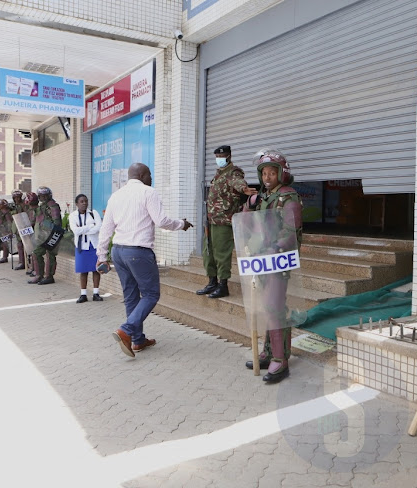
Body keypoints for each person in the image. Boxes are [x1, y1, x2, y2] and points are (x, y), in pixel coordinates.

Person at [96, 162, 193, 358]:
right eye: (149, 174)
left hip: (119, 252)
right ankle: (126, 330)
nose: (152, 178)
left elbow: (106, 227)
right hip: (138, 252)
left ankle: (137, 340)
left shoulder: (116, 195)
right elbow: (161, 221)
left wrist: (101, 256)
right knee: (150, 294)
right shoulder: (149, 192)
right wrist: (182, 224)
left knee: (131, 296)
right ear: (141, 175)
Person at [243, 149, 303, 383]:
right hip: (260, 260)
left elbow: (292, 231)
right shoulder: (263, 197)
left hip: (278, 260)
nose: (267, 177)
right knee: (266, 306)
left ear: (282, 173)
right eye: (264, 173)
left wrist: (275, 249)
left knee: (274, 307)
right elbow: (245, 223)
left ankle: (281, 358)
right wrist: (249, 204)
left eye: (271, 173)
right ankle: (269, 352)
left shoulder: (289, 197)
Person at [197, 145, 257, 299]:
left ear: (229, 156)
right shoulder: (218, 175)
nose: (219, 159)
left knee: (221, 253)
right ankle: (212, 282)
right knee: (208, 252)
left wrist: (244, 189)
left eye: (221, 156)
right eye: (217, 157)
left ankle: (223, 285)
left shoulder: (233, 173)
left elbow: (237, 183)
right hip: (211, 220)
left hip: (224, 221)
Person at [69, 194, 103, 303]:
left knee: (96, 270)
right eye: (82, 201)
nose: (84, 203)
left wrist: (83, 229)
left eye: (86, 201)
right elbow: (75, 231)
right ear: (77, 204)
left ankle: (96, 293)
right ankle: (83, 294)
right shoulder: (73, 216)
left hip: (94, 245)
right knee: (83, 271)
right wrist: (89, 227)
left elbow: (98, 227)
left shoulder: (94, 213)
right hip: (81, 247)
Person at [29, 186, 62, 285]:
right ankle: (39, 275)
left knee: (50, 255)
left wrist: (51, 233)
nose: (43, 197)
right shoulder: (41, 206)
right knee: (36, 253)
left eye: (45, 195)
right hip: (42, 236)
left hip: (50, 235)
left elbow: (56, 222)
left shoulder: (53, 206)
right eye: (41, 196)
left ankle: (49, 276)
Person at [10, 190, 28, 270]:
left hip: (24, 226)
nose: (16, 199)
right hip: (18, 227)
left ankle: (25, 262)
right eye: (15, 198)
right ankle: (21, 261)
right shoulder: (15, 206)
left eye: (18, 197)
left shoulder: (24, 205)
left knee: (25, 245)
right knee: (19, 245)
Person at [24, 192, 39, 276]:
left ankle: (35, 269)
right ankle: (32, 267)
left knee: (35, 252)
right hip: (30, 232)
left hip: (35, 232)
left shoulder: (36, 210)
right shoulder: (30, 210)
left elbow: (33, 221)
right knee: (30, 251)